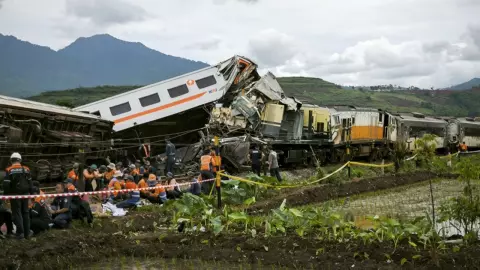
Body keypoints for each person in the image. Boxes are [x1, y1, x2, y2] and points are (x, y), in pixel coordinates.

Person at [3, 152, 33, 239]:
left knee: (17, 213)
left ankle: (20, 233)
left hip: (15, 195)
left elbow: (6, 185)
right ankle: (27, 234)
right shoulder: (26, 169)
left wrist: (6, 195)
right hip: (26, 194)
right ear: (20, 160)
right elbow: (30, 184)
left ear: (11, 160)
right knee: (26, 212)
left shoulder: (9, 170)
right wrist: (32, 195)